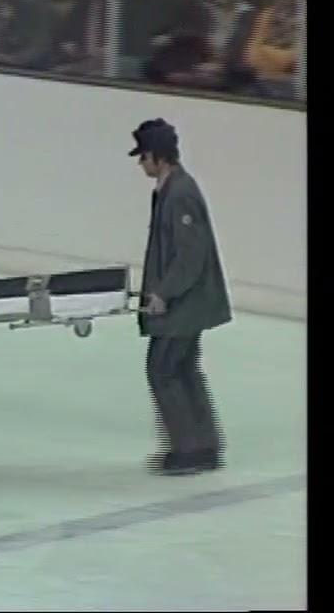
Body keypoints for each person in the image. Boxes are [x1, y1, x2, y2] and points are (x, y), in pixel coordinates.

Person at [130, 118, 231, 476]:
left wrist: (163, 293)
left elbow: (190, 255)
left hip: (184, 304)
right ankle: (204, 446)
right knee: (183, 369)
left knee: (162, 369)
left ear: (157, 156)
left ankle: (188, 449)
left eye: (143, 156)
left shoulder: (181, 193)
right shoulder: (170, 190)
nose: (141, 164)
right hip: (184, 303)